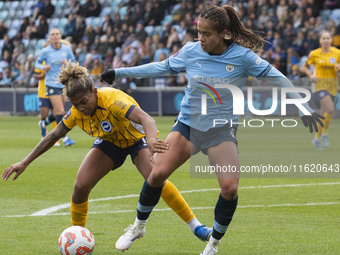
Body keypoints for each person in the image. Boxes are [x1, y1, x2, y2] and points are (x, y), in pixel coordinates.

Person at [100, 5, 324, 255]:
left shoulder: (243, 57)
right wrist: (118, 72)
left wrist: (303, 107)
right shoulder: (191, 50)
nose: (201, 39)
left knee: (229, 189)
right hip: (188, 125)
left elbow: (278, 77)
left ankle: (213, 244)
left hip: (220, 130)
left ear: (224, 34)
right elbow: (161, 67)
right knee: (156, 175)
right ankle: (138, 227)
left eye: (207, 34)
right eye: (198, 32)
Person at [1, 61, 212, 246]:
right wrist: (25, 162)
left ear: (94, 92)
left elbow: (147, 119)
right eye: (76, 104)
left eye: (84, 101)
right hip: (110, 143)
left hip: (137, 140)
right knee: (80, 186)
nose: (81, 108)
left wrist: (151, 141)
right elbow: (53, 135)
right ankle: (78, 236)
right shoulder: (76, 113)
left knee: (155, 179)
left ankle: (196, 227)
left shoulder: (111, 99)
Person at [35, 28, 76, 147]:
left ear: (60, 36)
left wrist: (67, 63)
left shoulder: (67, 49)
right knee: (60, 111)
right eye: (53, 34)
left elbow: (74, 62)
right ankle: (64, 138)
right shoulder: (46, 51)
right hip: (51, 83)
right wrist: (43, 68)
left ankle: (44, 123)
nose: (55, 36)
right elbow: (37, 63)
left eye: (57, 34)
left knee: (56, 112)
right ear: (50, 37)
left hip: (62, 83)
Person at [300, 30, 340, 150]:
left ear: (331, 40)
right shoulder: (314, 54)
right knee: (330, 109)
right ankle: (325, 135)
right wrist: (311, 76)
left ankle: (317, 139)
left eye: (328, 38)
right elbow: (303, 67)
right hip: (319, 86)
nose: (326, 40)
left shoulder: (337, 52)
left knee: (325, 114)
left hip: (332, 86)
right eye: (324, 38)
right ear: (320, 41)